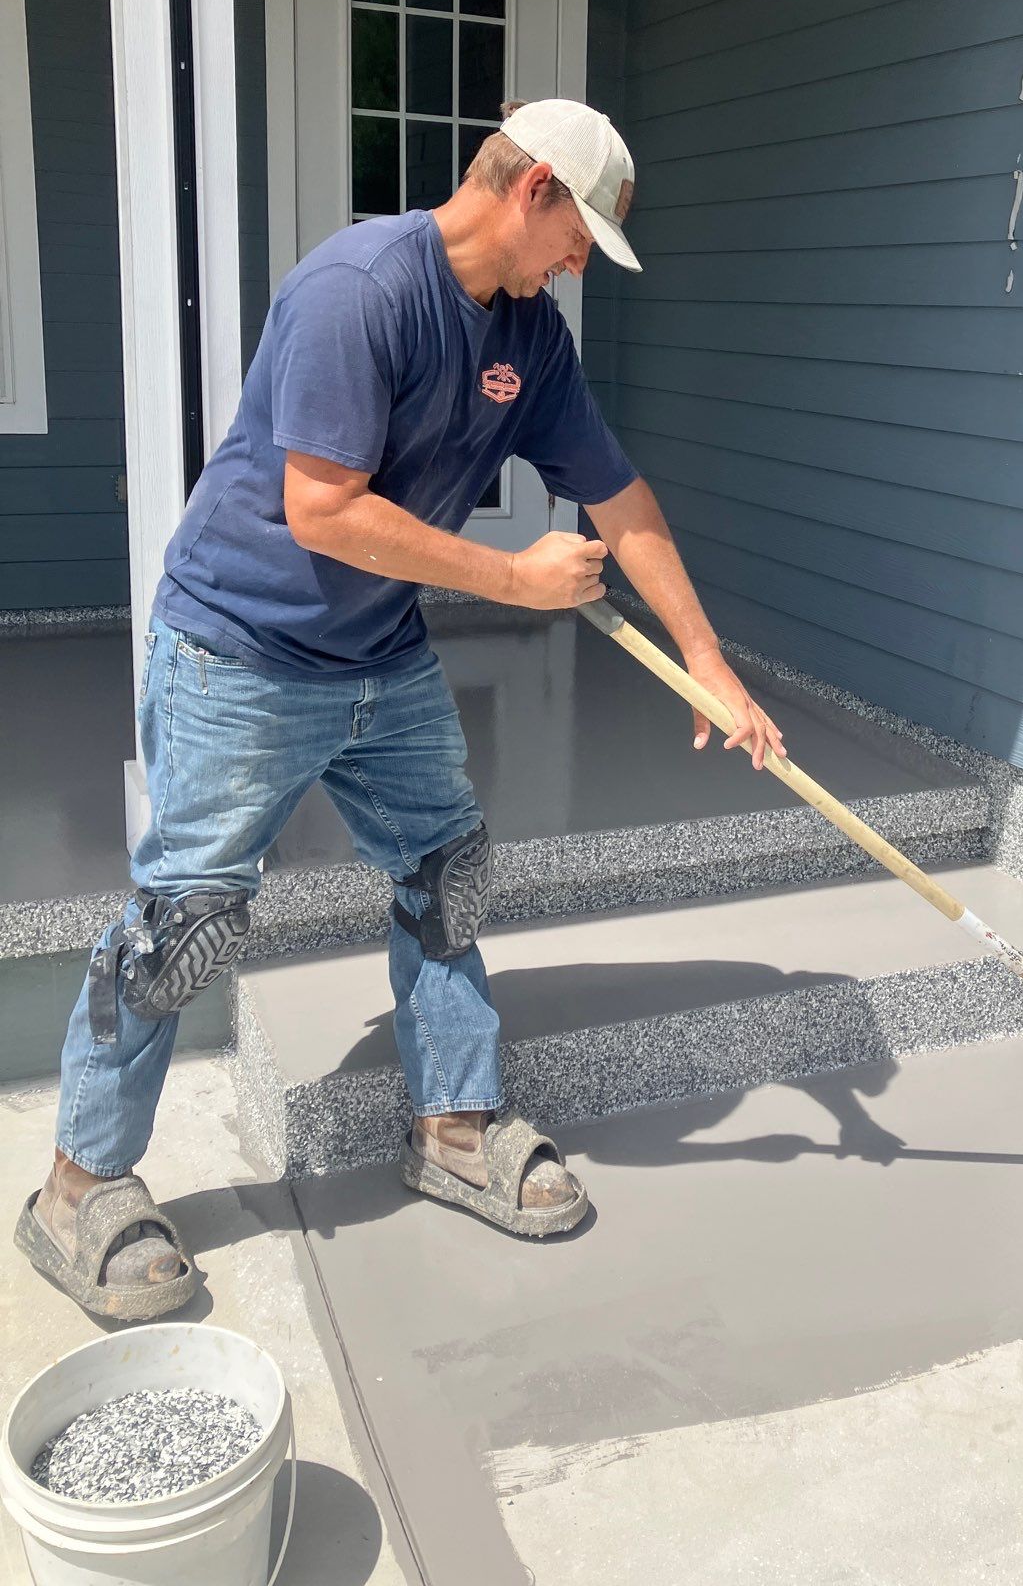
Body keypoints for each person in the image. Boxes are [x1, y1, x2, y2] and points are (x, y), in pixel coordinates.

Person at [15, 98, 786, 1321]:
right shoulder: (357, 292)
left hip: (379, 655)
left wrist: (712, 665)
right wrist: (520, 581)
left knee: (446, 871)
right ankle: (76, 1188)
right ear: (532, 189)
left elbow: (622, 500)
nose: (582, 265)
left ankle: (453, 1127)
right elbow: (323, 509)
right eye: (581, 236)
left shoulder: (529, 336)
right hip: (241, 653)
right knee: (187, 925)